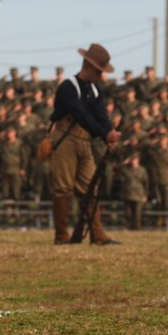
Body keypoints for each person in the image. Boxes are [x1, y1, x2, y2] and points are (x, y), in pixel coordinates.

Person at [48, 43, 120, 245]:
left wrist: (110, 134)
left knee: (91, 187)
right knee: (63, 188)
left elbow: (101, 115)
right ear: (89, 66)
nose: (101, 74)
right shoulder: (68, 87)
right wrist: (105, 132)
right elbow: (82, 116)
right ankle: (61, 235)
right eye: (99, 70)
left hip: (85, 140)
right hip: (65, 139)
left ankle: (97, 235)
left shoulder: (96, 90)